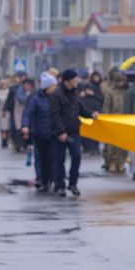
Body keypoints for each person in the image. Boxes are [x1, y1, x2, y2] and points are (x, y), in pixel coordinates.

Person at [22, 73, 59, 193]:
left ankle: (52, 179)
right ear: (47, 87)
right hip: (39, 133)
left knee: (53, 157)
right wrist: (25, 126)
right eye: (53, 86)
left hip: (53, 133)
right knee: (40, 158)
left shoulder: (56, 97)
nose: (55, 88)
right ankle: (42, 180)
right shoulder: (36, 98)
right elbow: (28, 113)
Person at [51, 69, 84, 197]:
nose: (78, 81)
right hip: (60, 134)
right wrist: (60, 131)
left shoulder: (74, 93)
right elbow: (54, 114)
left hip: (74, 131)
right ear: (68, 81)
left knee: (76, 156)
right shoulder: (57, 94)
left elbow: (81, 108)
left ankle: (73, 183)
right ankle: (60, 186)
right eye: (75, 78)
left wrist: (92, 114)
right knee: (60, 160)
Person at [99, 69, 128, 171]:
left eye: (122, 81)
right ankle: (111, 162)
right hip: (113, 119)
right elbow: (106, 106)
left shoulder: (126, 92)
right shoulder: (110, 92)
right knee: (112, 144)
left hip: (124, 120)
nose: (121, 83)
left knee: (123, 144)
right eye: (119, 81)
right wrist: (106, 118)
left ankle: (121, 162)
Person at [78, 71, 105, 153]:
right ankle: (89, 147)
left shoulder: (100, 87)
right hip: (89, 109)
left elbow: (102, 98)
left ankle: (95, 147)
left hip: (98, 110)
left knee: (97, 130)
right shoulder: (86, 86)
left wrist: (93, 94)